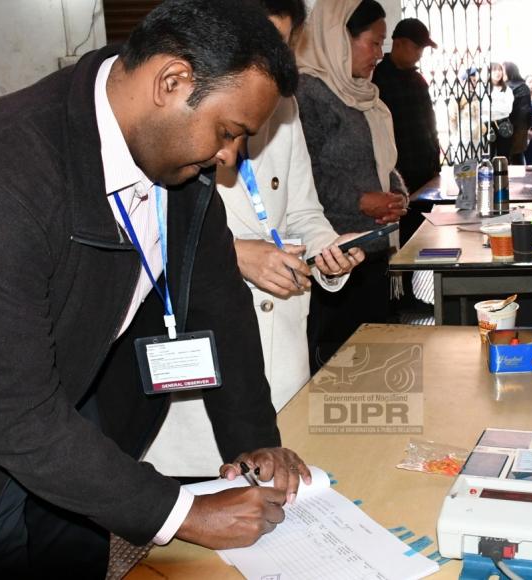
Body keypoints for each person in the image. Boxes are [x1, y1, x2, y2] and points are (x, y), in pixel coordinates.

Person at [0, 1, 314, 577]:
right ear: (171, 81)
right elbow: (14, 417)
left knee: (75, 555)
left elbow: (218, 302)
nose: (228, 160)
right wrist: (184, 513)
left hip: (64, 406)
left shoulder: (175, 159)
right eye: (228, 133)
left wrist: (253, 444)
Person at [142, 0, 365, 477]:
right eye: (258, 40)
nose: (270, 60)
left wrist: (327, 250)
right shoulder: (174, 118)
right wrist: (236, 255)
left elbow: (304, 209)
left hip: (280, 340)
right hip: (202, 344)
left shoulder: (283, 107)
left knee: (279, 482)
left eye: (282, 46)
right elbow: (146, 227)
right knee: (202, 498)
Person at [295, 0, 410, 371]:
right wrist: (362, 201)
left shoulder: (364, 94)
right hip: (333, 259)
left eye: (383, 43)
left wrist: (397, 194)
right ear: (339, 38)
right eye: (373, 42)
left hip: (372, 252)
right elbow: (305, 176)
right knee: (337, 374)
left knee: (374, 367)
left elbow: (383, 162)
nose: (380, 54)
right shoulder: (307, 95)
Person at [372, 17, 441, 194]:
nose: (420, 54)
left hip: (426, 174)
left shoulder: (418, 81)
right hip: (395, 178)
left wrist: (434, 162)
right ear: (398, 43)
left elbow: (430, 125)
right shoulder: (376, 80)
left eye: (422, 49)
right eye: (417, 47)